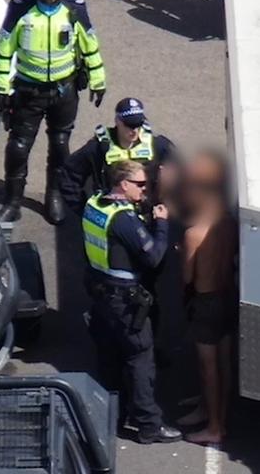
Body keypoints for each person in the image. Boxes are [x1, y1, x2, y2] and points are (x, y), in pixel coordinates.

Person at [83, 160, 181, 444]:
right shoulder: (123, 219)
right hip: (124, 299)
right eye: (139, 184)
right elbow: (153, 256)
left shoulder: (95, 205)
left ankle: (114, 414)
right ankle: (149, 424)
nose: (144, 189)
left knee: (110, 357)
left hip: (99, 290)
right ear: (122, 184)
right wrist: (162, 225)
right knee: (140, 358)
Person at [0, 0, 106, 225]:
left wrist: (98, 81)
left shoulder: (74, 8)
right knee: (19, 146)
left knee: (60, 143)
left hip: (64, 90)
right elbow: (4, 49)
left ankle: (54, 196)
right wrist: (1, 86)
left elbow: (90, 46)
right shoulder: (20, 9)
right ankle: (12, 202)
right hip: (28, 92)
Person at [180, 151, 236, 444]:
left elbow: (188, 277)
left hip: (206, 302)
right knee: (224, 362)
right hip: (227, 297)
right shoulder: (228, 222)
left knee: (207, 365)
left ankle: (215, 426)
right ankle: (213, 411)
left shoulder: (194, 234)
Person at [60, 98, 177, 216]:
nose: (134, 131)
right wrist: (84, 210)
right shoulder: (100, 147)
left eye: (138, 125)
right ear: (117, 121)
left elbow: (179, 173)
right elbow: (70, 174)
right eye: (130, 125)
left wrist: (166, 205)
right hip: (111, 213)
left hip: (147, 212)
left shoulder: (156, 144)